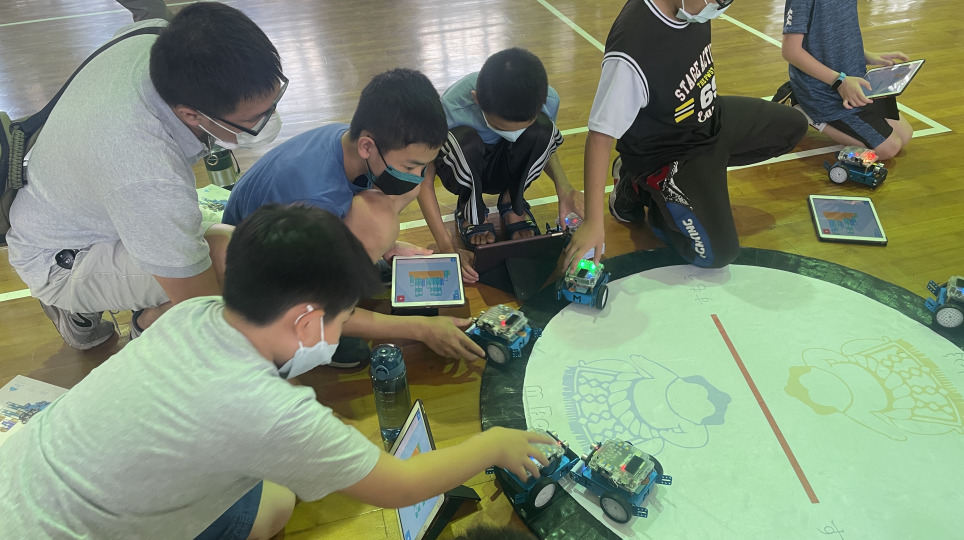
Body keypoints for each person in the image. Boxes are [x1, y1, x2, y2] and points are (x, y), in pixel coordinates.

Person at [0, 204, 554, 539]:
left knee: (275, 499)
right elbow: (400, 485)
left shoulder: (195, 312)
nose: (338, 334)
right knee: (277, 501)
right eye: (339, 320)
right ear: (307, 321)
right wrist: (493, 445)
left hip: (18, 477)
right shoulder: (269, 413)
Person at [5, 2, 286, 350]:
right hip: (61, 256)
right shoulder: (146, 171)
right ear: (191, 114)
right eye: (253, 119)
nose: (269, 120)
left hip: (75, 203)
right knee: (236, 263)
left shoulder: (157, 40)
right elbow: (198, 307)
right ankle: (143, 324)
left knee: (230, 234)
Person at [223, 69, 485, 365]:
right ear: (367, 147)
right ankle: (327, 331)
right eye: (410, 166)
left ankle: (357, 262)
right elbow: (305, 301)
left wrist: (389, 245)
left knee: (390, 203)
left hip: (287, 236)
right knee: (377, 222)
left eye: (424, 166)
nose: (419, 175)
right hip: (258, 280)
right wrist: (423, 328)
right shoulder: (314, 198)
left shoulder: (351, 139)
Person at [567, 0, 808, 270]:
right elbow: (599, 137)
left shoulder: (693, 8)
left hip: (709, 118)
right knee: (717, 254)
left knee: (793, 127)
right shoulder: (632, 47)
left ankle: (698, 182)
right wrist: (593, 222)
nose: (718, 7)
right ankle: (643, 189)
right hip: (668, 153)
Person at [418, 48, 583, 281]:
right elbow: (424, 179)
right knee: (463, 141)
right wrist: (446, 246)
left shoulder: (548, 100)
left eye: (521, 128)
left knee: (544, 130)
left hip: (507, 169)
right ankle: (471, 212)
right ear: (477, 99)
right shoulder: (450, 109)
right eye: (501, 127)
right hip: (466, 166)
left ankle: (512, 205)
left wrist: (564, 189)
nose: (512, 135)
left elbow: (545, 149)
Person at [778, 0, 913, 160]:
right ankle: (804, 112)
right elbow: (791, 51)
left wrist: (869, 56)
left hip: (853, 83)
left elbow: (839, 34)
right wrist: (839, 80)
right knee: (888, 149)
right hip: (822, 89)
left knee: (905, 135)